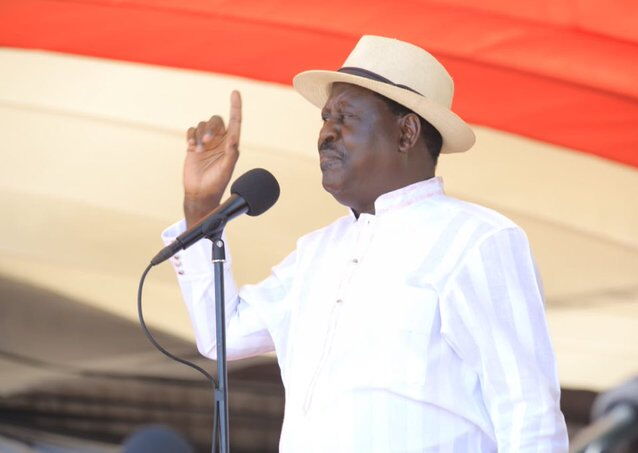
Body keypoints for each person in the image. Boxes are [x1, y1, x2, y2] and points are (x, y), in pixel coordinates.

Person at [162, 35, 568, 452]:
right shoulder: (317, 251)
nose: (325, 134)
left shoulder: (477, 240)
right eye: (325, 118)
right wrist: (200, 205)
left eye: (347, 117)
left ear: (406, 132)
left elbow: (527, 412)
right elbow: (222, 336)